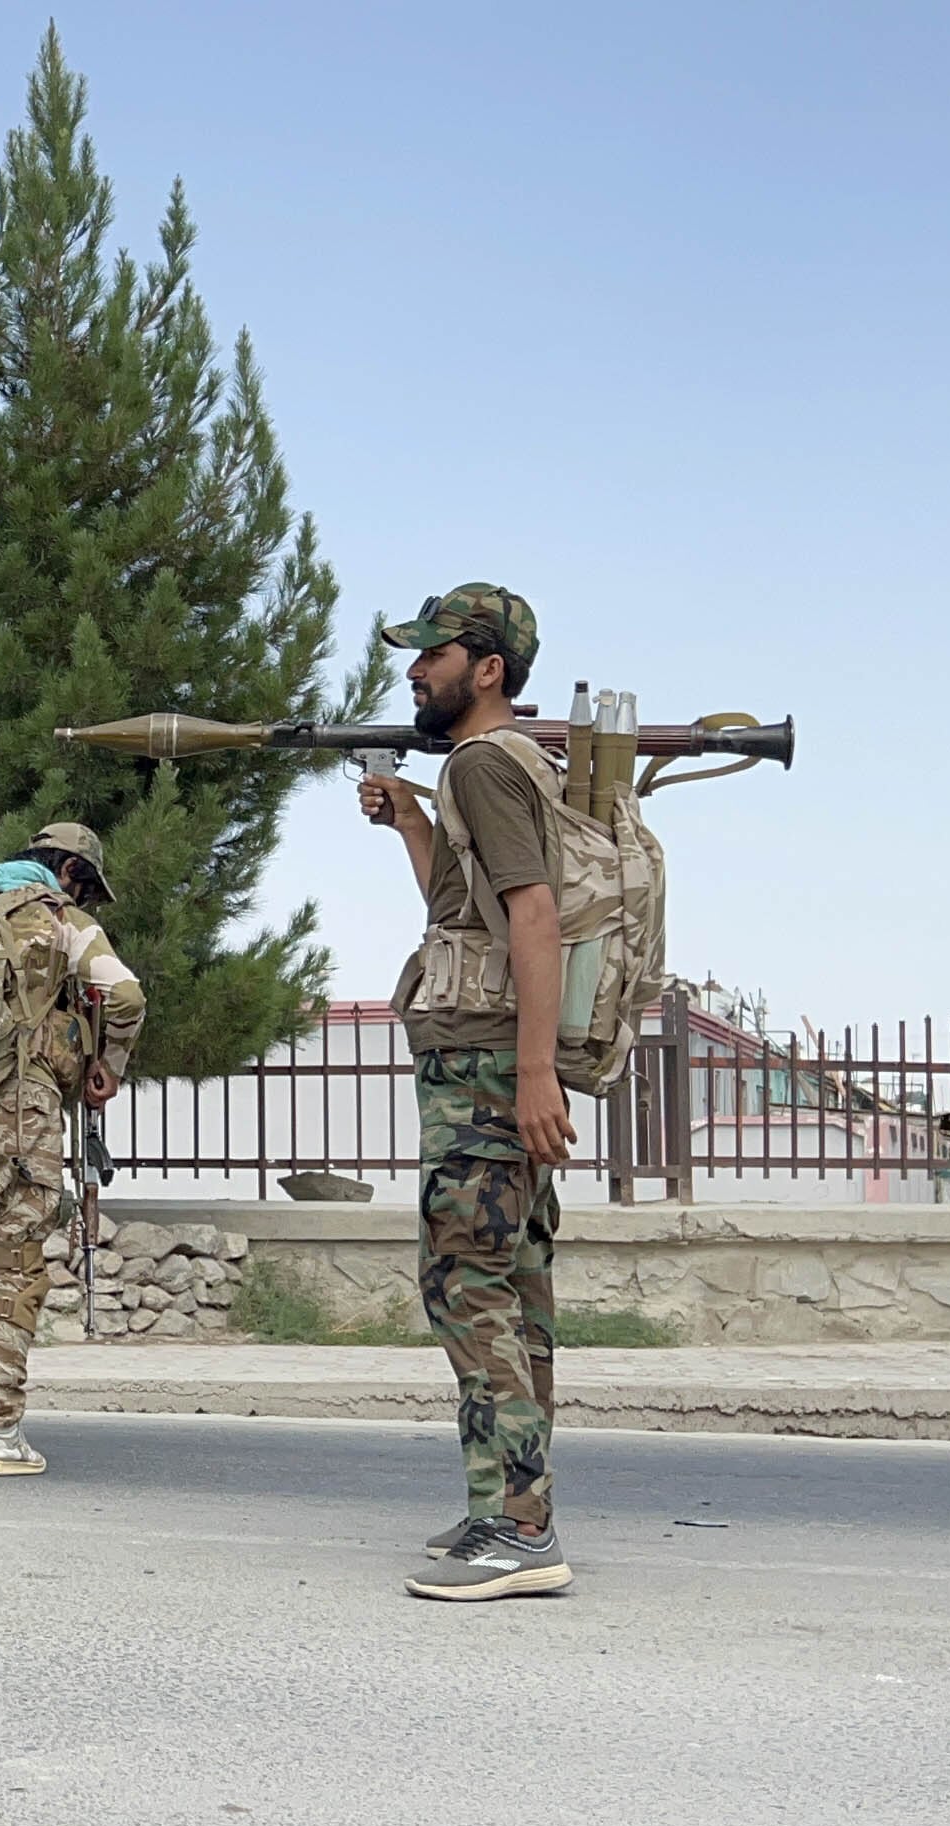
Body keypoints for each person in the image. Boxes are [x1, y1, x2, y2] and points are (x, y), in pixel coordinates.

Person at [361, 582, 578, 1602]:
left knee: (466, 1286)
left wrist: (534, 1073)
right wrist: (410, 819)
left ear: (485, 669)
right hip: (487, 1062)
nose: (414, 670)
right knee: (508, 1289)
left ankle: (522, 1531)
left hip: (486, 1071)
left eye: (433, 656)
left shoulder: (488, 766)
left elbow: (534, 921)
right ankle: (503, 1506)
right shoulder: (474, 774)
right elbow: (467, 913)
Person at [0, 822, 141, 1478]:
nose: (86, 899)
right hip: (14, 1111)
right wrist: (111, 1064)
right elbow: (124, 994)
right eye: (87, 887)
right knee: (11, 1262)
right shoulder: (58, 919)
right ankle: (1, 1434)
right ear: (67, 871)